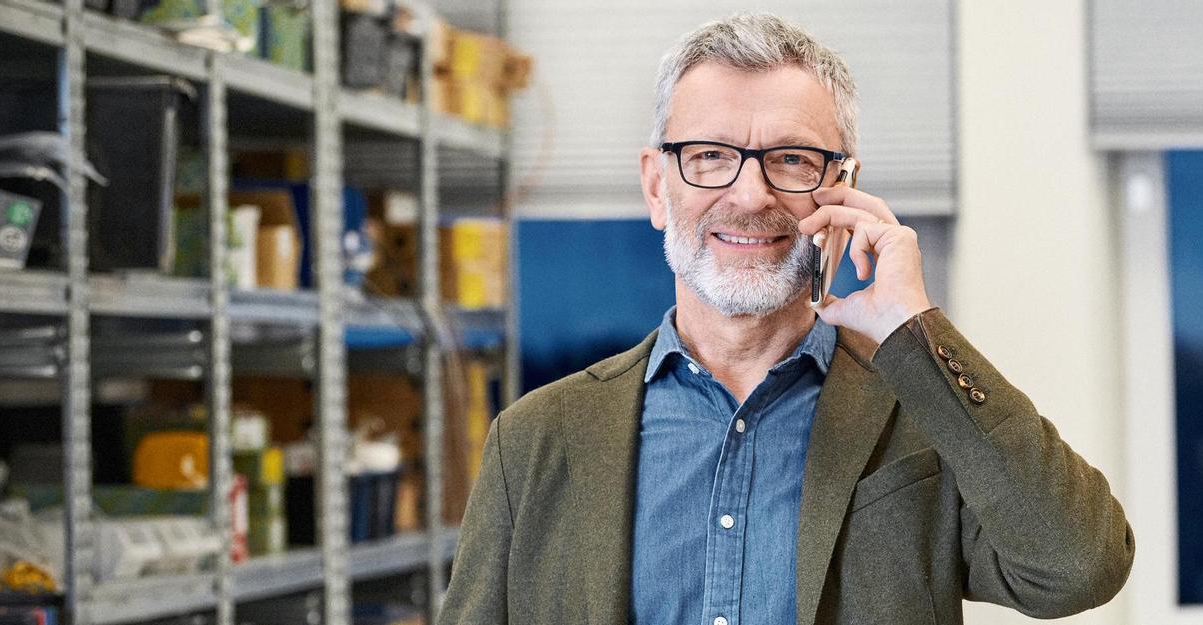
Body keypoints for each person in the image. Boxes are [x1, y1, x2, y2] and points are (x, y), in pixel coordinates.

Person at [439, 13, 1133, 625]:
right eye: (710, 155)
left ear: (844, 188)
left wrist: (914, 326)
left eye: (791, 159)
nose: (750, 193)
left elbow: (1078, 567)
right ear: (657, 185)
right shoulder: (533, 442)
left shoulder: (923, 418)